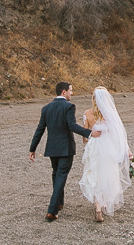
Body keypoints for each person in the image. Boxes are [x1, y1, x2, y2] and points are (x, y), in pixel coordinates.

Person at [29, 81, 101, 222]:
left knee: (56, 174)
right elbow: (72, 125)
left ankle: (59, 203)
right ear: (64, 92)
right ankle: (52, 210)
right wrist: (90, 133)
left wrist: (33, 148)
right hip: (66, 148)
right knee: (61, 176)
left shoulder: (46, 108)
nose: (72, 93)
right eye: (70, 90)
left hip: (52, 148)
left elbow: (40, 129)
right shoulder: (69, 106)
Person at [79, 86, 134, 222]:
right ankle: (104, 202)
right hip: (108, 148)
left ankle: (98, 207)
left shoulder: (87, 113)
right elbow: (119, 135)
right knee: (107, 174)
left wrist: (91, 137)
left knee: (94, 174)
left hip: (94, 147)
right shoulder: (111, 115)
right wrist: (126, 150)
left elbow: (85, 138)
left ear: (94, 99)